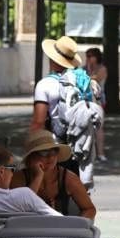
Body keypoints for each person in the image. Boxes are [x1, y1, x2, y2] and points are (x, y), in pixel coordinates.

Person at [31, 35, 101, 189]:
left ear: (51, 58)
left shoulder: (45, 85)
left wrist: (31, 147)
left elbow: (39, 122)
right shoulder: (83, 82)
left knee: (53, 191)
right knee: (75, 191)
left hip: (54, 147)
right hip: (80, 145)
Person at [10, 130, 97, 220]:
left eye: (54, 151)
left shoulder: (68, 178)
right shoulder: (19, 178)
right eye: (44, 152)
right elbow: (19, 209)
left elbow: (89, 209)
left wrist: (75, 225)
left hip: (61, 227)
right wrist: (38, 176)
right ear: (31, 157)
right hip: (28, 227)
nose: (51, 157)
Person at [85, 47, 108, 162]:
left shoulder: (102, 69)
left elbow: (95, 79)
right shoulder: (84, 69)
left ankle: (100, 153)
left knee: (99, 127)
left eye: (90, 56)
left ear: (96, 57)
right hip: (85, 100)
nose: (88, 58)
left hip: (98, 100)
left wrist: (89, 70)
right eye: (87, 56)